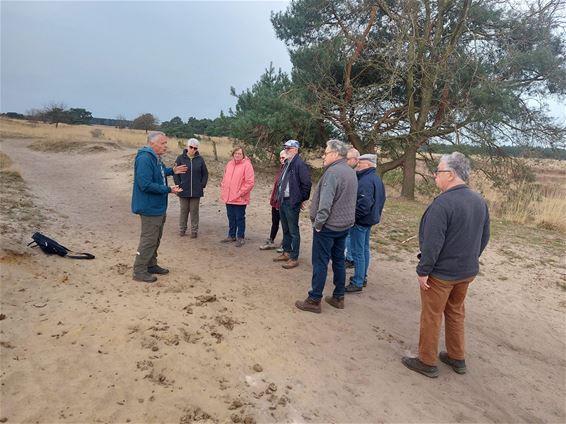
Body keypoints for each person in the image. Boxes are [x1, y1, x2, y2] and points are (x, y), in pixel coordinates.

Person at [402, 152, 490, 378]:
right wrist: (470, 258)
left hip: (441, 274)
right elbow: (484, 237)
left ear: (450, 175)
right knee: (456, 312)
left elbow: (432, 244)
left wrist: (423, 271)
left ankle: (426, 360)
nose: (434, 176)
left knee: (431, 315)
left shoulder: (443, 204)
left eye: (438, 172)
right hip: (466, 272)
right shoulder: (479, 201)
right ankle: (456, 357)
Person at [295, 139, 357, 313]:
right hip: (343, 226)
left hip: (328, 227)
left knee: (320, 262)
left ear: (336, 154)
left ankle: (314, 299)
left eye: (326, 152)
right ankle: (338, 296)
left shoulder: (333, 173)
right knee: (338, 259)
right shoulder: (350, 171)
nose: (324, 155)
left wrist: (318, 224)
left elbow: (325, 204)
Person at [131, 131, 187, 283]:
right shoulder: (144, 158)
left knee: (156, 238)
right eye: (163, 143)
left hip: (158, 207)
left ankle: (151, 264)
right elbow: (145, 185)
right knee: (148, 239)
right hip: (149, 207)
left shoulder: (156, 158)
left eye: (165, 143)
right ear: (152, 143)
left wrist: (172, 170)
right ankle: (139, 270)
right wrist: (169, 189)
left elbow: (160, 172)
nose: (165, 146)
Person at [345, 154, 386, 293]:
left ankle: (357, 281)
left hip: (361, 221)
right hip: (369, 220)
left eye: (360, 163)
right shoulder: (376, 179)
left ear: (368, 165)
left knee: (358, 252)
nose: (358, 165)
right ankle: (363, 277)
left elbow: (364, 204)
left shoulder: (365, 181)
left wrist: (353, 218)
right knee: (364, 249)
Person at [272, 139, 312, 269]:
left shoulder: (299, 164)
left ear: (295, 149)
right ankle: (286, 252)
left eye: (288, 148)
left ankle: (294, 257)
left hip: (291, 202)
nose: (286, 150)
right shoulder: (288, 162)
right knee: (286, 229)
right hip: (283, 200)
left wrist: (299, 200)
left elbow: (306, 185)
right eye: (285, 148)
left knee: (293, 231)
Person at [220, 146, 255, 247]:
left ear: (243, 155)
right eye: (236, 153)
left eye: (239, 154)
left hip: (240, 198)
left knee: (239, 217)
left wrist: (240, 193)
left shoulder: (247, 165)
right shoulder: (229, 164)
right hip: (228, 196)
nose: (237, 155)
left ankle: (240, 237)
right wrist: (223, 187)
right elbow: (225, 177)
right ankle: (231, 236)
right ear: (233, 154)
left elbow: (250, 182)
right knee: (231, 217)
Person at [173, 138, 208, 238]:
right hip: (183, 189)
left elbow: (205, 173)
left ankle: (194, 231)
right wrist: (179, 184)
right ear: (187, 147)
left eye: (195, 148)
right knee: (183, 210)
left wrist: (202, 185)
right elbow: (175, 173)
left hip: (196, 191)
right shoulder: (180, 158)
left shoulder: (200, 159)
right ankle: (182, 229)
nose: (193, 149)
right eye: (191, 147)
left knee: (194, 211)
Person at [260, 150, 287, 250]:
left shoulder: (290, 170)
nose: (281, 159)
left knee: (286, 224)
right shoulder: (281, 168)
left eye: (283, 157)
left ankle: (285, 244)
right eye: (280, 158)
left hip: (284, 202)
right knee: (275, 221)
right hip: (276, 201)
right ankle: (271, 239)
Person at [344, 147, 360, 268]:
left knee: (350, 235)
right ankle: (349, 256)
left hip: (354, 210)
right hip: (350, 209)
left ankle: (350, 258)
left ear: (355, 159)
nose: (346, 161)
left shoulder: (358, 173)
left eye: (348, 159)